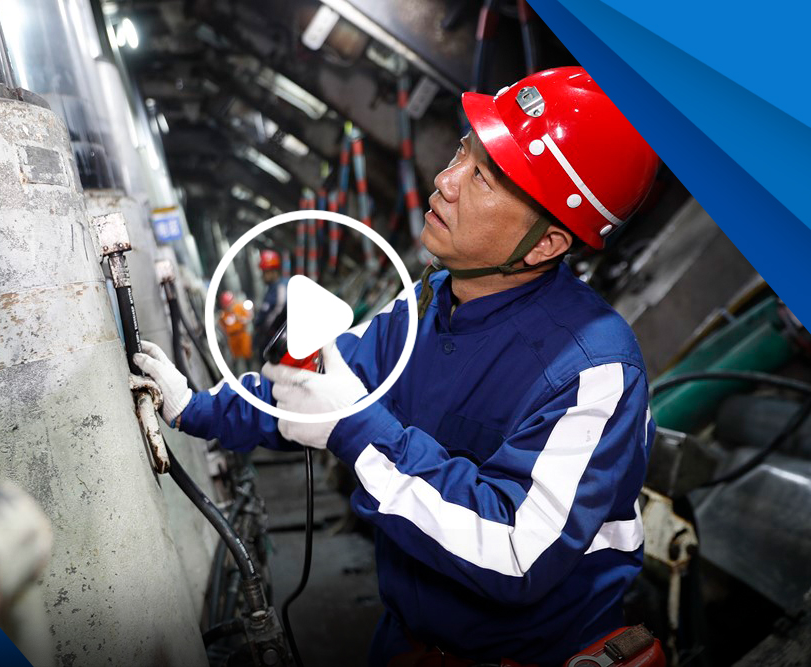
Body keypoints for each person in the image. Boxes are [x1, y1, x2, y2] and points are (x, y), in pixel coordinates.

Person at [135, 67, 660, 666]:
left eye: (484, 178)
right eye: (464, 150)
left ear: (545, 244)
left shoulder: (593, 370)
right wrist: (194, 407)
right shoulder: (429, 301)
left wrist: (354, 426)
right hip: (406, 642)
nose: (446, 181)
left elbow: (519, 552)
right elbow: (314, 385)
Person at [252, 248, 287, 357]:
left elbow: (277, 310)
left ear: (273, 271)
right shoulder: (271, 288)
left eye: (264, 272)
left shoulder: (281, 287)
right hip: (269, 340)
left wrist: (263, 329)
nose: (262, 276)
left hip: (276, 342)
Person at [218, 290, 253, 372]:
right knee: (235, 358)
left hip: (242, 334)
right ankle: (237, 373)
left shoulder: (239, 307)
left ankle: (250, 370)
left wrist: (239, 318)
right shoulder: (223, 314)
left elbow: (248, 319)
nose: (228, 306)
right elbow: (223, 327)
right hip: (232, 337)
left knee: (247, 355)